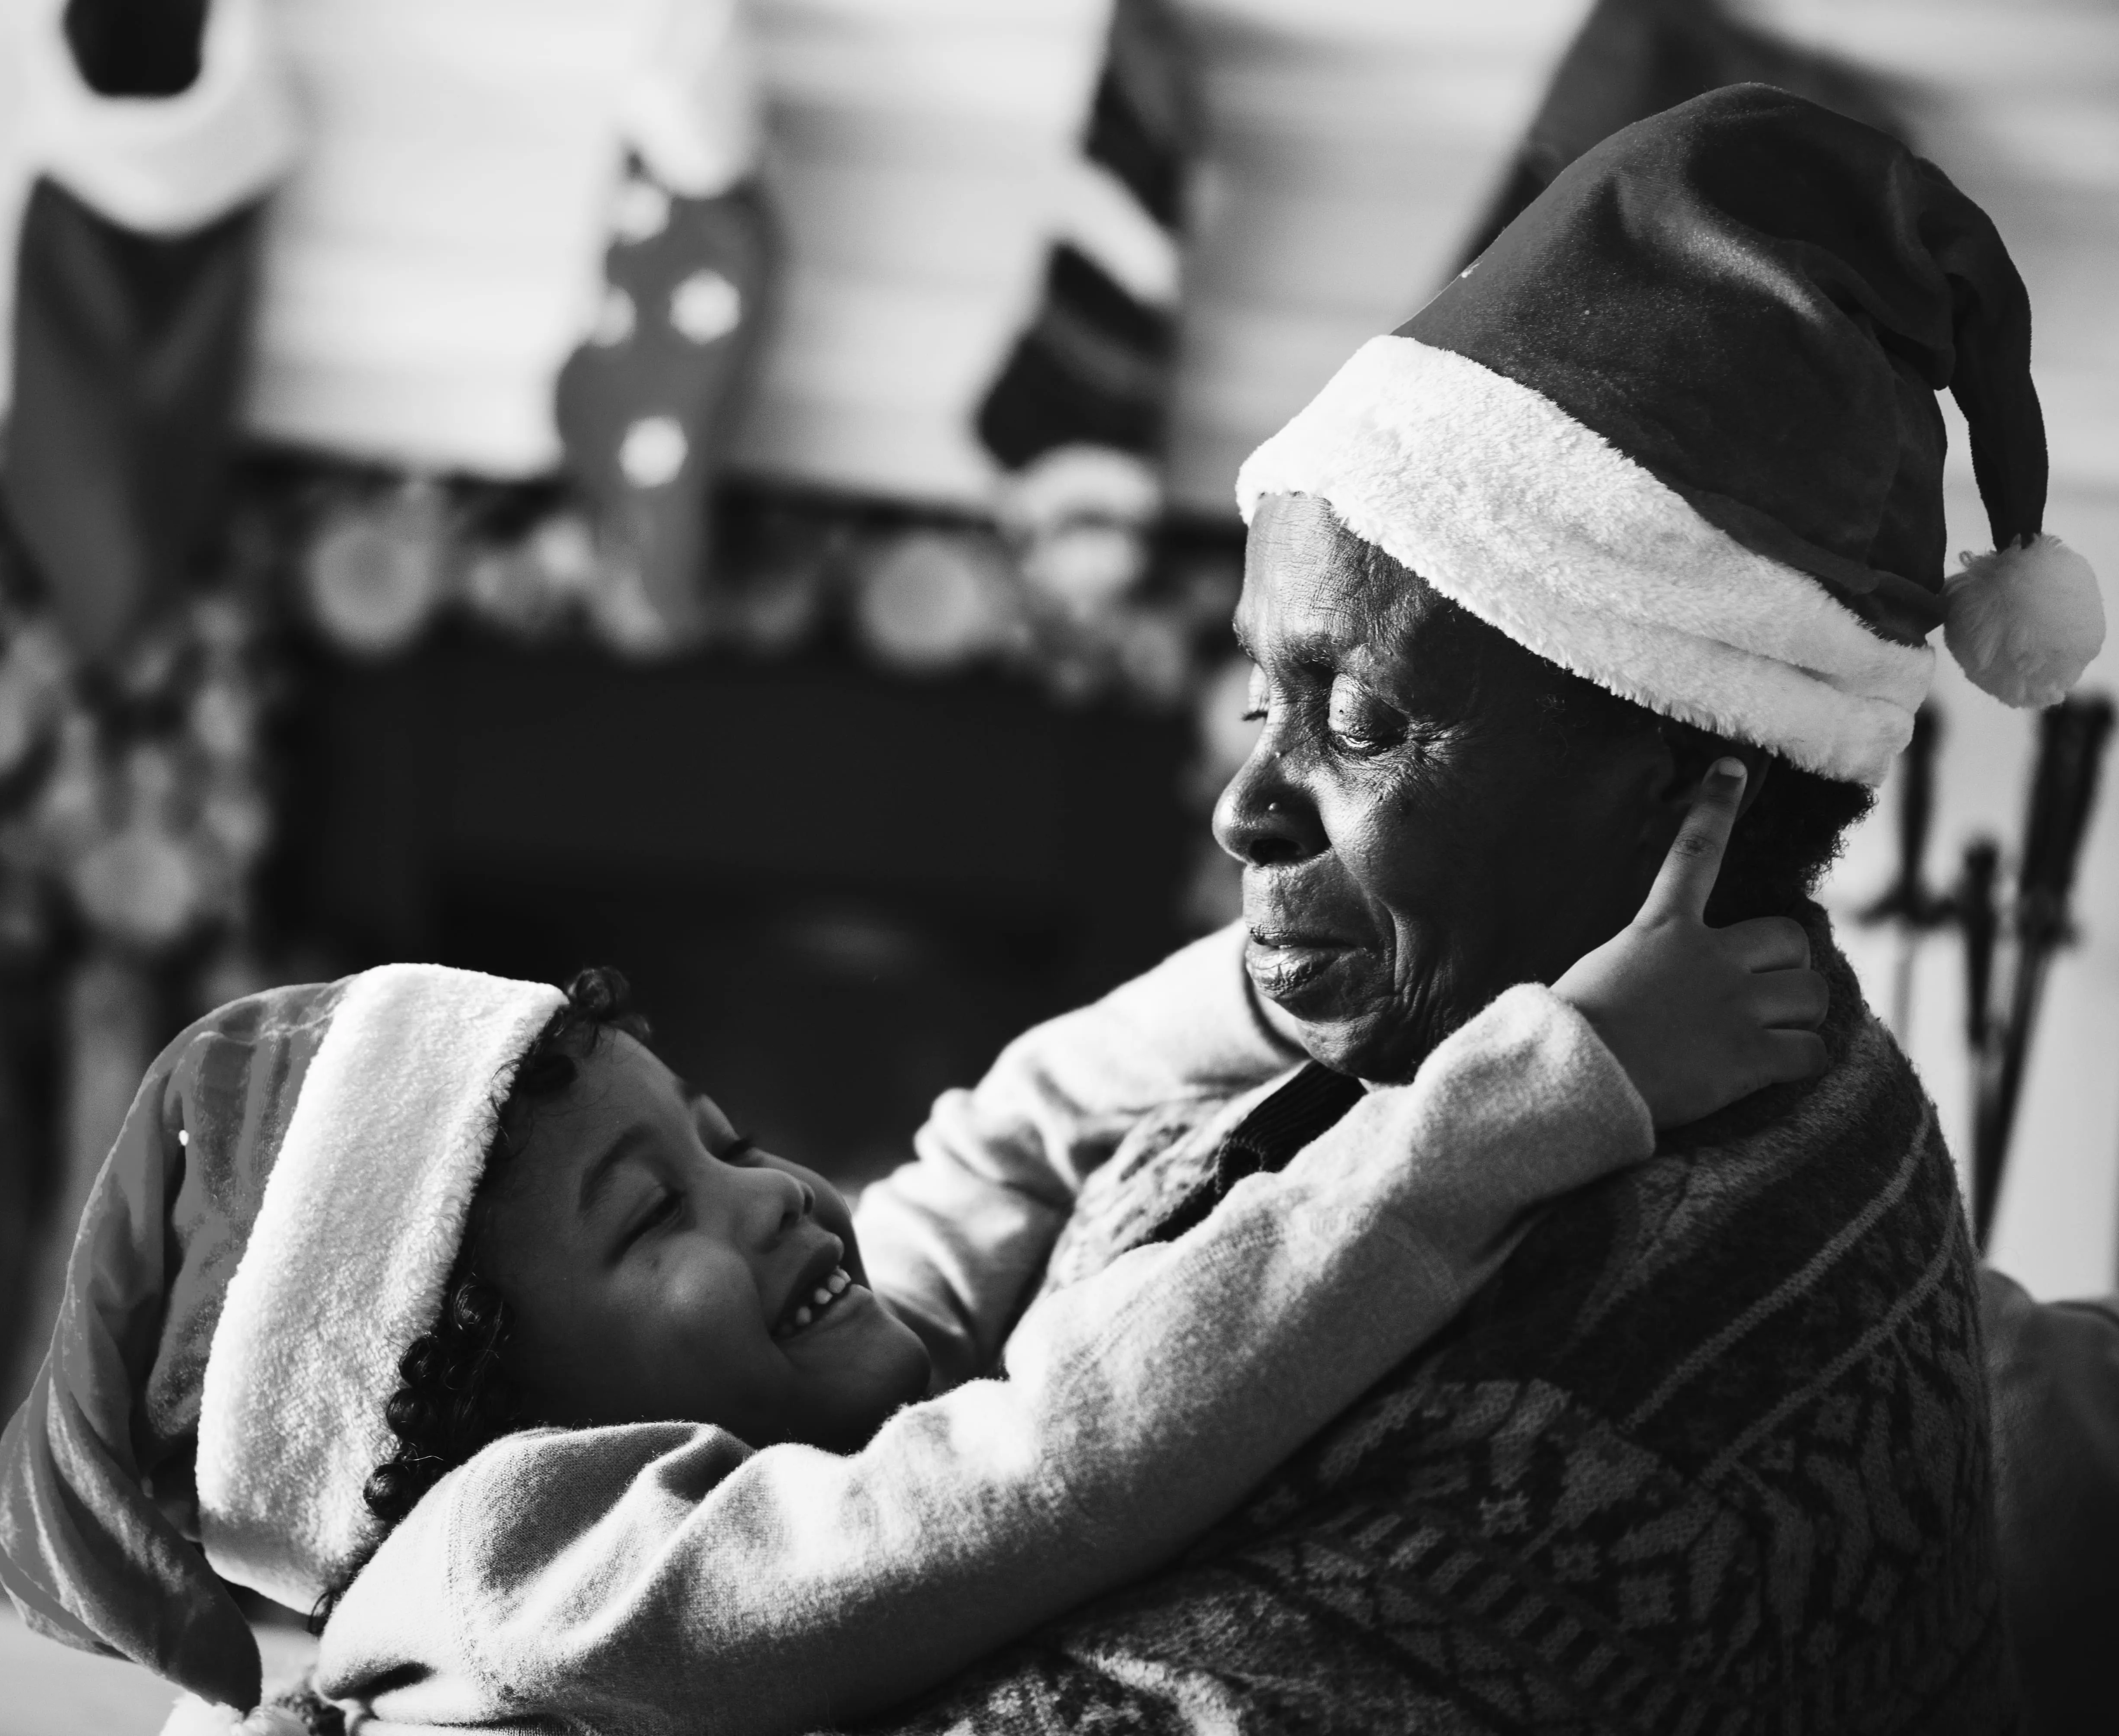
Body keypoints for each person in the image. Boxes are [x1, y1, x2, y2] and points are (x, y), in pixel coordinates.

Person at [831, 85, 2104, 1734]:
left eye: (1356, 718)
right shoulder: (1520, 1016)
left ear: (1679, 774)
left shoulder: (1600, 1449)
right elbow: (1029, 1136)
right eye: (1258, 701)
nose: (1244, 807)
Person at [0, 757, 1813, 1736]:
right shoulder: (520, 1568)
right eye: (650, 1218)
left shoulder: (733, 1435)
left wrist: (1298, 976)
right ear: (469, 1425)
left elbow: (1000, 1143)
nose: (767, 1189)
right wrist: (1536, 1094)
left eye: (715, 1137)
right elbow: (1051, 1464)